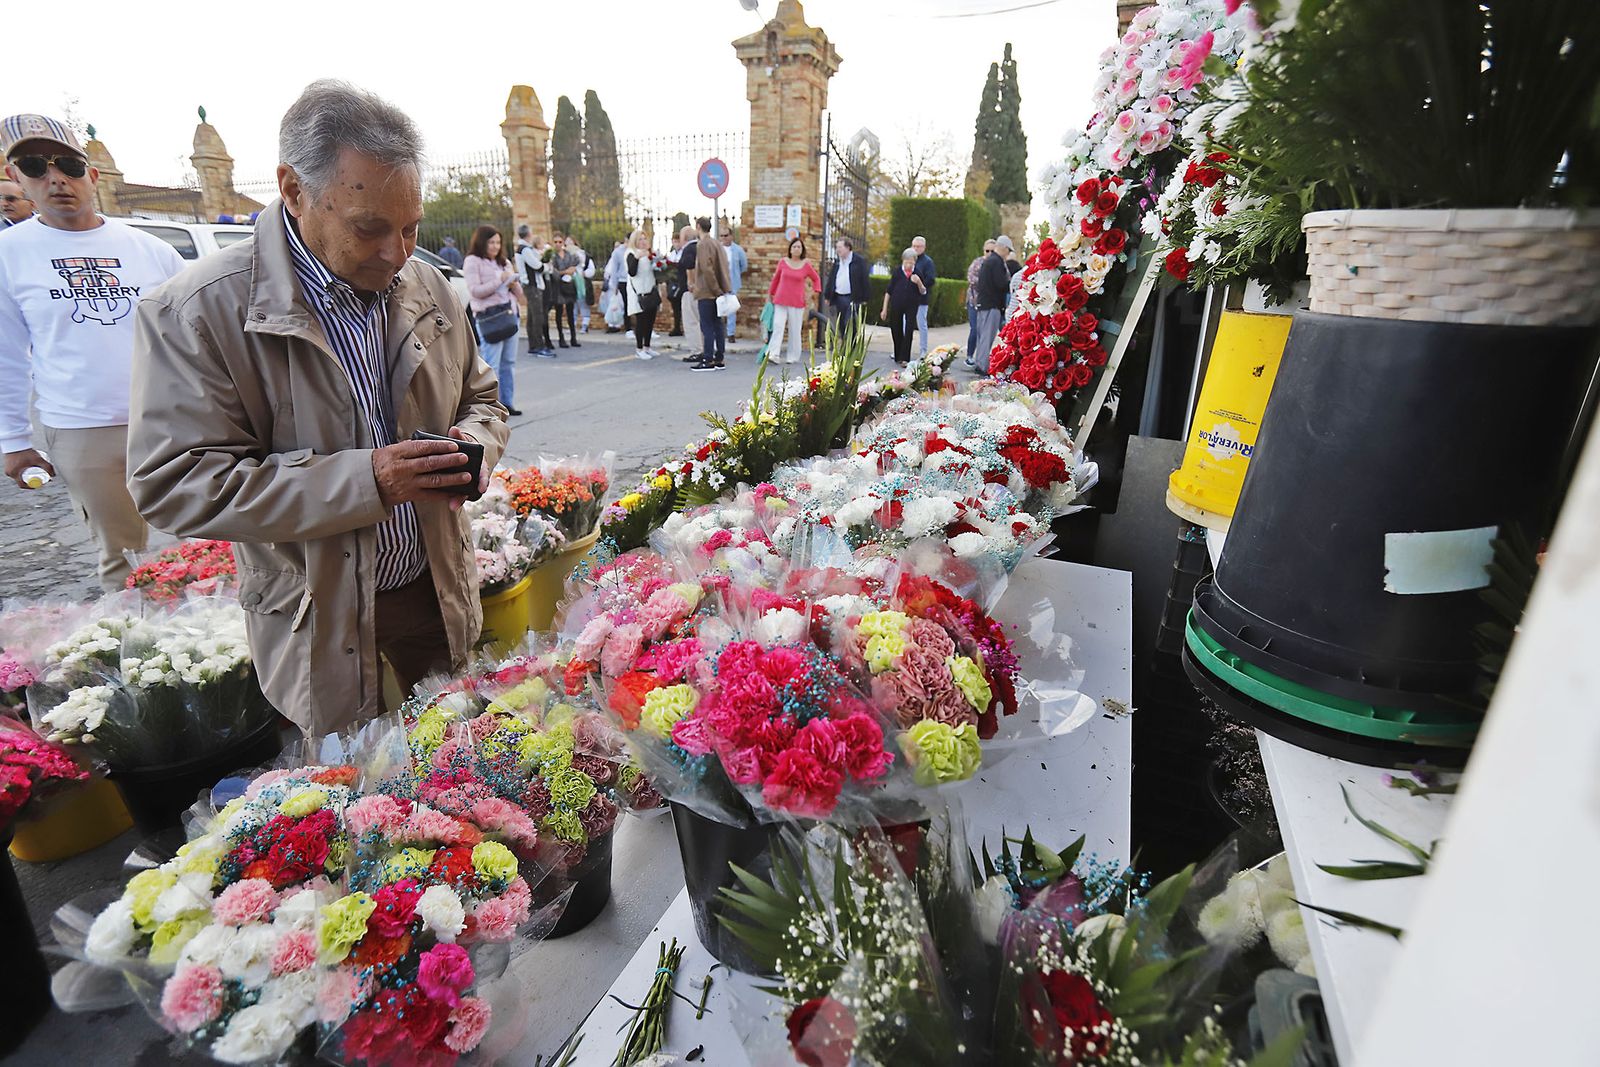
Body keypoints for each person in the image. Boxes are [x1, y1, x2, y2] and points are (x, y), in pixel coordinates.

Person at [126, 79, 509, 737]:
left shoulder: (430, 288)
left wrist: (473, 449)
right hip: (315, 611)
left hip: (432, 585)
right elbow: (172, 484)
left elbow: (482, 398)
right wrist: (367, 482)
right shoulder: (197, 312)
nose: (396, 253)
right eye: (370, 228)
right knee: (350, 799)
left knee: (460, 756)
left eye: (411, 227)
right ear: (294, 190)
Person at [0, 113, 186, 592]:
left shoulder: (150, 250)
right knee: (123, 555)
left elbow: (192, 336)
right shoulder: (10, 254)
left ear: (93, 175)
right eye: (36, 166)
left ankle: (222, 647)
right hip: (82, 429)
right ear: (15, 176)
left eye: (69, 165)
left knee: (207, 536)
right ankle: (141, 657)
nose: (56, 178)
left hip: (169, 422)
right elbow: (7, 355)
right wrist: (14, 442)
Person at [465, 224, 525, 417]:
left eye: (498, 242)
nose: (495, 246)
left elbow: (519, 293)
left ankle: (508, 402)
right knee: (492, 364)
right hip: (490, 318)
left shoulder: (504, 262)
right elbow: (475, 291)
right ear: (482, 242)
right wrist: (499, 279)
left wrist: (513, 282)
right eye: (491, 242)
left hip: (510, 315)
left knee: (509, 362)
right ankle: (492, 405)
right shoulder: (473, 261)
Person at [766, 235, 822, 366]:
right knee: (778, 326)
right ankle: (773, 354)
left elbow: (816, 279)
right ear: (790, 249)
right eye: (794, 246)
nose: (796, 249)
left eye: (799, 247)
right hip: (780, 299)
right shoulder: (783, 262)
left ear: (802, 250)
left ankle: (793, 356)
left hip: (797, 302)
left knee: (795, 329)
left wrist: (813, 293)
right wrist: (770, 294)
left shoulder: (806, 265)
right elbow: (776, 279)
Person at [689, 216, 731, 372]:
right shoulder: (716, 243)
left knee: (707, 326)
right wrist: (721, 289)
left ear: (698, 226)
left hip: (707, 291)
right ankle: (719, 358)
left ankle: (708, 358)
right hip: (718, 290)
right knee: (718, 325)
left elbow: (707, 269)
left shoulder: (703, 244)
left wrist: (715, 289)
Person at [971, 235, 1013, 374]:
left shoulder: (989, 261)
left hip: (984, 303)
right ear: (1004, 248)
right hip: (991, 304)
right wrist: (1011, 284)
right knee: (987, 336)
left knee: (983, 335)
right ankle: (983, 366)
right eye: (1008, 250)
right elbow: (1000, 284)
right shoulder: (997, 262)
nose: (1008, 254)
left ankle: (979, 362)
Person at [516, 225, 555, 358]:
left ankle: (533, 346)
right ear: (528, 234)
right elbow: (537, 266)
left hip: (530, 285)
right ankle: (538, 346)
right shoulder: (525, 250)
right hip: (533, 286)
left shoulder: (522, 249)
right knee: (537, 317)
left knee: (532, 317)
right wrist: (546, 266)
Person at [880, 248, 923, 366]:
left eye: (911, 262)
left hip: (911, 305)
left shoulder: (917, 272)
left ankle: (905, 358)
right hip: (896, 304)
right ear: (903, 261)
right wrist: (884, 309)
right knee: (896, 328)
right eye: (907, 262)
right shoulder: (897, 272)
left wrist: (918, 282)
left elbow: (923, 291)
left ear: (915, 262)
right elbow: (889, 291)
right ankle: (898, 354)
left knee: (909, 329)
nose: (909, 265)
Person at [823, 236, 868, 345]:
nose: (838, 250)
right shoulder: (838, 262)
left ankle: (851, 347)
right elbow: (832, 279)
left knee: (850, 322)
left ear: (848, 247)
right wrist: (828, 296)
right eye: (837, 247)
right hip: (839, 297)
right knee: (841, 323)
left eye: (840, 247)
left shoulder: (858, 261)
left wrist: (865, 297)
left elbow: (864, 279)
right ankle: (845, 345)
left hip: (852, 298)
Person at [624, 229, 661, 360]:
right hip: (638, 292)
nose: (643, 241)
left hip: (650, 290)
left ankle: (647, 346)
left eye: (645, 238)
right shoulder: (631, 253)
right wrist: (637, 258)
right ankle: (639, 348)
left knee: (650, 321)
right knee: (641, 321)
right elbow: (632, 272)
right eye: (640, 239)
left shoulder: (650, 253)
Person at [964, 238, 995, 367]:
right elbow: (971, 277)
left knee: (985, 332)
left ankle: (981, 358)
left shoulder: (996, 264)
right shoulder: (977, 263)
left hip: (989, 303)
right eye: (987, 250)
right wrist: (986, 282)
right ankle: (969, 355)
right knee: (975, 329)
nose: (989, 253)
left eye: (992, 251)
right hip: (974, 301)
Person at [676, 224, 702, 359]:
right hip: (703, 290)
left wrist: (690, 283)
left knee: (691, 322)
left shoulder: (688, 250)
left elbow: (689, 266)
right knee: (701, 321)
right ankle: (703, 348)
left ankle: (696, 351)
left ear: (684, 238)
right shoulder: (701, 246)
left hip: (690, 291)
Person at [550, 235, 581, 348]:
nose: (558, 244)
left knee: (570, 312)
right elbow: (553, 272)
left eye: (560, 241)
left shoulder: (569, 254)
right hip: (557, 286)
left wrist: (571, 270)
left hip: (568, 285)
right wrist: (565, 272)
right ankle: (561, 338)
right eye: (555, 242)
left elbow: (577, 262)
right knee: (559, 312)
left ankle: (573, 337)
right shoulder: (552, 256)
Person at [911, 235, 936, 359]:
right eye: (914, 246)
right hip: (908, 299)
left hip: (921, 299)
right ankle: (902, 350)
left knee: (921, 325)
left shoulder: (927, 262)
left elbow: (931, 280)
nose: (916, 248)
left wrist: (920, 284)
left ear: (924, 247)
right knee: (905, 325)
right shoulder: (909, 259)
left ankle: (923, 350)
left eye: (918, 246)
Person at [720, 229, 747, 340]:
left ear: (731, 236)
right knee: (719, 306)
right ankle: (720, 331)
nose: (724, 238)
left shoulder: (738, 250)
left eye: (726, 235)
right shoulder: (719, 249)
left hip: (732, 282)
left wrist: (735, 275)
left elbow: (743, 266)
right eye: (721, 236)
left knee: (731, 307)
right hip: (719, 282)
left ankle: (730, 333)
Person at [603, 239, 628, 334]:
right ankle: (612, 324)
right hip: (612, 283)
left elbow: (613, 271)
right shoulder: (613, 258)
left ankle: (617, 324)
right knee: (612, 304)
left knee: (619, 305)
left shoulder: (618, 257)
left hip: (616, 283)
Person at [665, 231, 686, 337]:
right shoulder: (672, 255)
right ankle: (677, 327)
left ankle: (684, 327)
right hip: (673, 282)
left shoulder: (684, 253)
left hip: (682, 282)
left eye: (678, 241)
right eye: (674, 242)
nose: (676, 244)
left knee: (684, 306)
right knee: (675, 306)